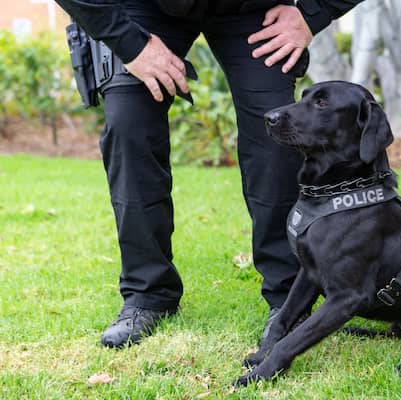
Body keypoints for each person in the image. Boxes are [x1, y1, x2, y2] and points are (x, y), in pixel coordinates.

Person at [55, 0, 362, 348]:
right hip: (145, 6)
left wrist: (312, 13)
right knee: (128, 125)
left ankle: (288, 298)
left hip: (251, 7)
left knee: (277, 132)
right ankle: (148, 294)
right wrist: (130, 44)